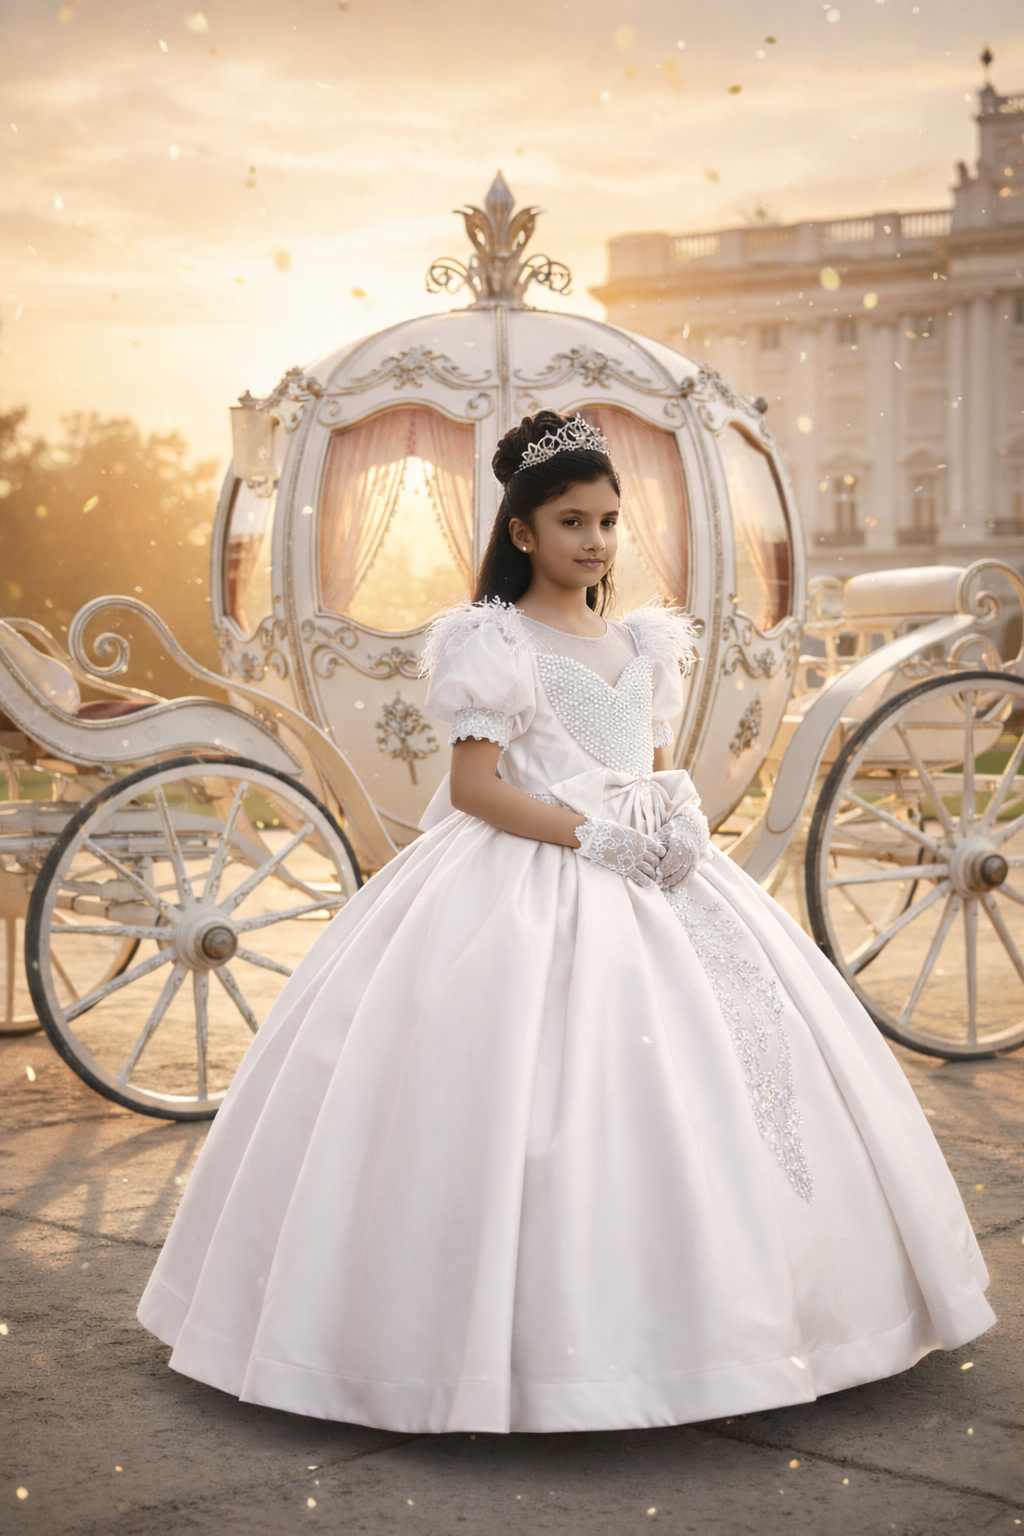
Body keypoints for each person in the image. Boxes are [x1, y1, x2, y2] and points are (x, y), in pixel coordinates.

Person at [138, 410, 994, 1434]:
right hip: (529, 872)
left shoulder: (642, 641)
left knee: (738, 1073)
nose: (593, 541)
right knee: (514, 1100)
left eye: (606, 521)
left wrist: (664, 826)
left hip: (661, 876)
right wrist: (593, 839)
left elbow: (641, 764)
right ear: (522, 534)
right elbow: (476, 789)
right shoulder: (493, 644)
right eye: (571, 522)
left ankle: (766, 1315)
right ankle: (501, 1355)